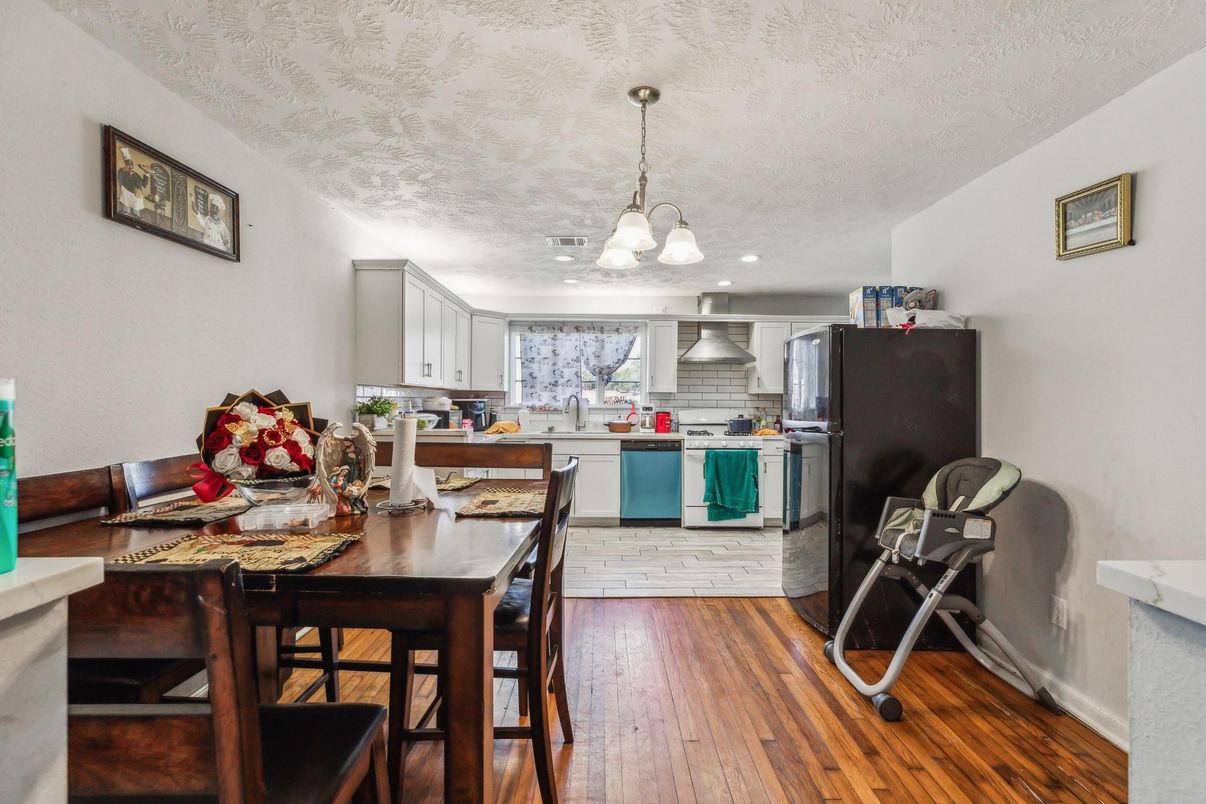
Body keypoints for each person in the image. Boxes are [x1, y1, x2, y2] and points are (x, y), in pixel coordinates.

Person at [115, 147, 150, 219]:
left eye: (131, 164)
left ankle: (136, 213)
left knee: (137, 203)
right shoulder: (122, 171)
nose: (130, 166)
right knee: (126, 199)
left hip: (137, 192)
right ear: (126, 164)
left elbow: (144, 184)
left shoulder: (136, 174)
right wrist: (121, 186)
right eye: (128, 164)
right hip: (127, 189)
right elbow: (119, 179)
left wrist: (146, 174)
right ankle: (126, 211)